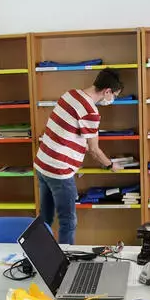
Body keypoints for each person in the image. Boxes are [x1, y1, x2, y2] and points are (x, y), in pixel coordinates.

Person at [33, 68, 123, 244]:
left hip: (42, 163)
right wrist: (110, 165)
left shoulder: (71, 94)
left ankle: (39, 253)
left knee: (45, 218)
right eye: (114, 95)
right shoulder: (90, 112)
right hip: (59, 171)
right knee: (68, 221)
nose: (112, 99)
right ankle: (65, 259)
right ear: (107, 91)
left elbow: (68, 131)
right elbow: (94, 150)